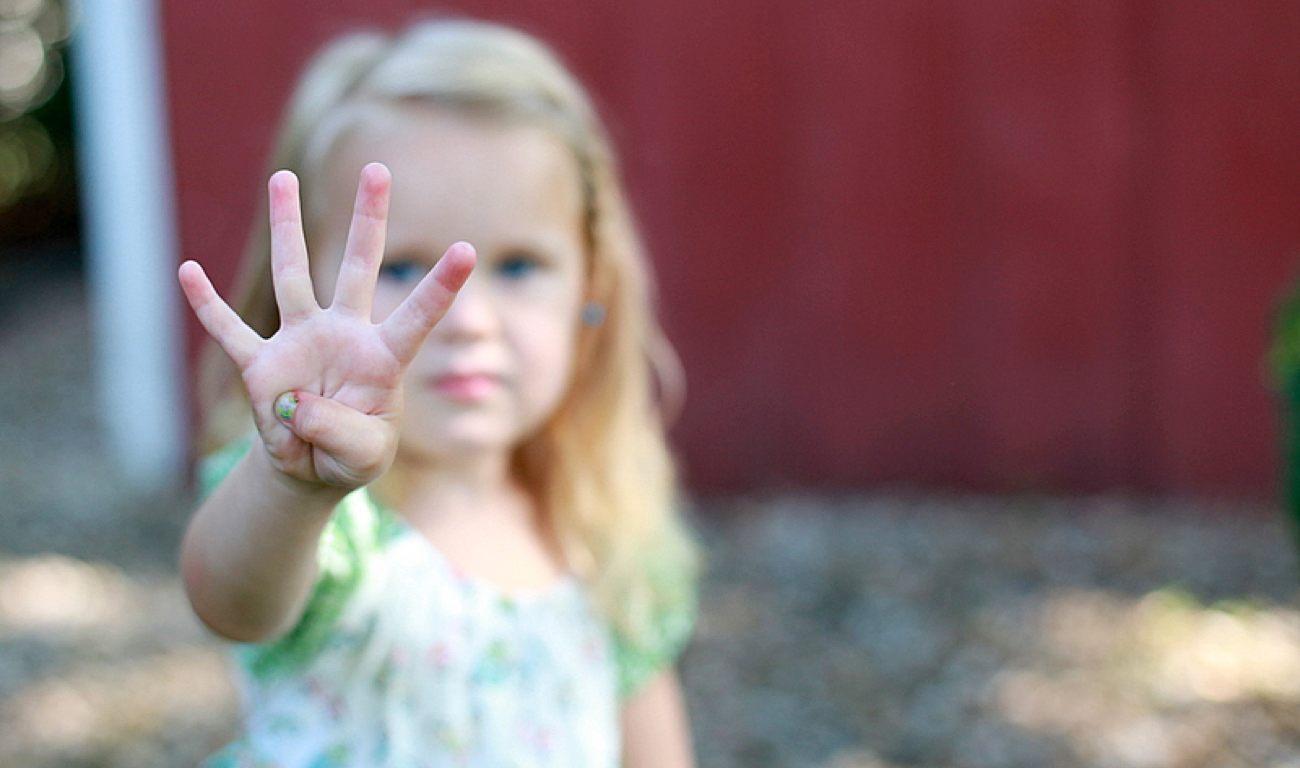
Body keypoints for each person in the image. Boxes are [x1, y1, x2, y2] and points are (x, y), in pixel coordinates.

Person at [177, 18, 699, 767]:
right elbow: (228, 600)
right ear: (308, 287)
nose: (467, 320)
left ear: (593, 289)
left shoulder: (608, 532)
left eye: (518, 267)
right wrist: (293, 484)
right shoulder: (327, 517)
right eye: (400, 267)